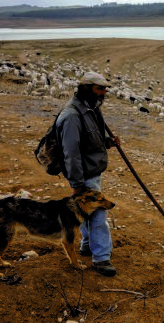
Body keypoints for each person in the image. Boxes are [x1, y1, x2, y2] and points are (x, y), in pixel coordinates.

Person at [56, 71, 120, 277]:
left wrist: (108, 143)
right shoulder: (72, 116)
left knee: (85, 213)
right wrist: (76, 183)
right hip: (84, 175)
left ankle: (86, 245)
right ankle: (101, 258)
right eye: (100, 89)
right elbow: (71, 153)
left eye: (105, 89)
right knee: (99, 214)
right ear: (86, 88)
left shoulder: (91, 109)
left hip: (92, 170)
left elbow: (91, 142)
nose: (104, 93)